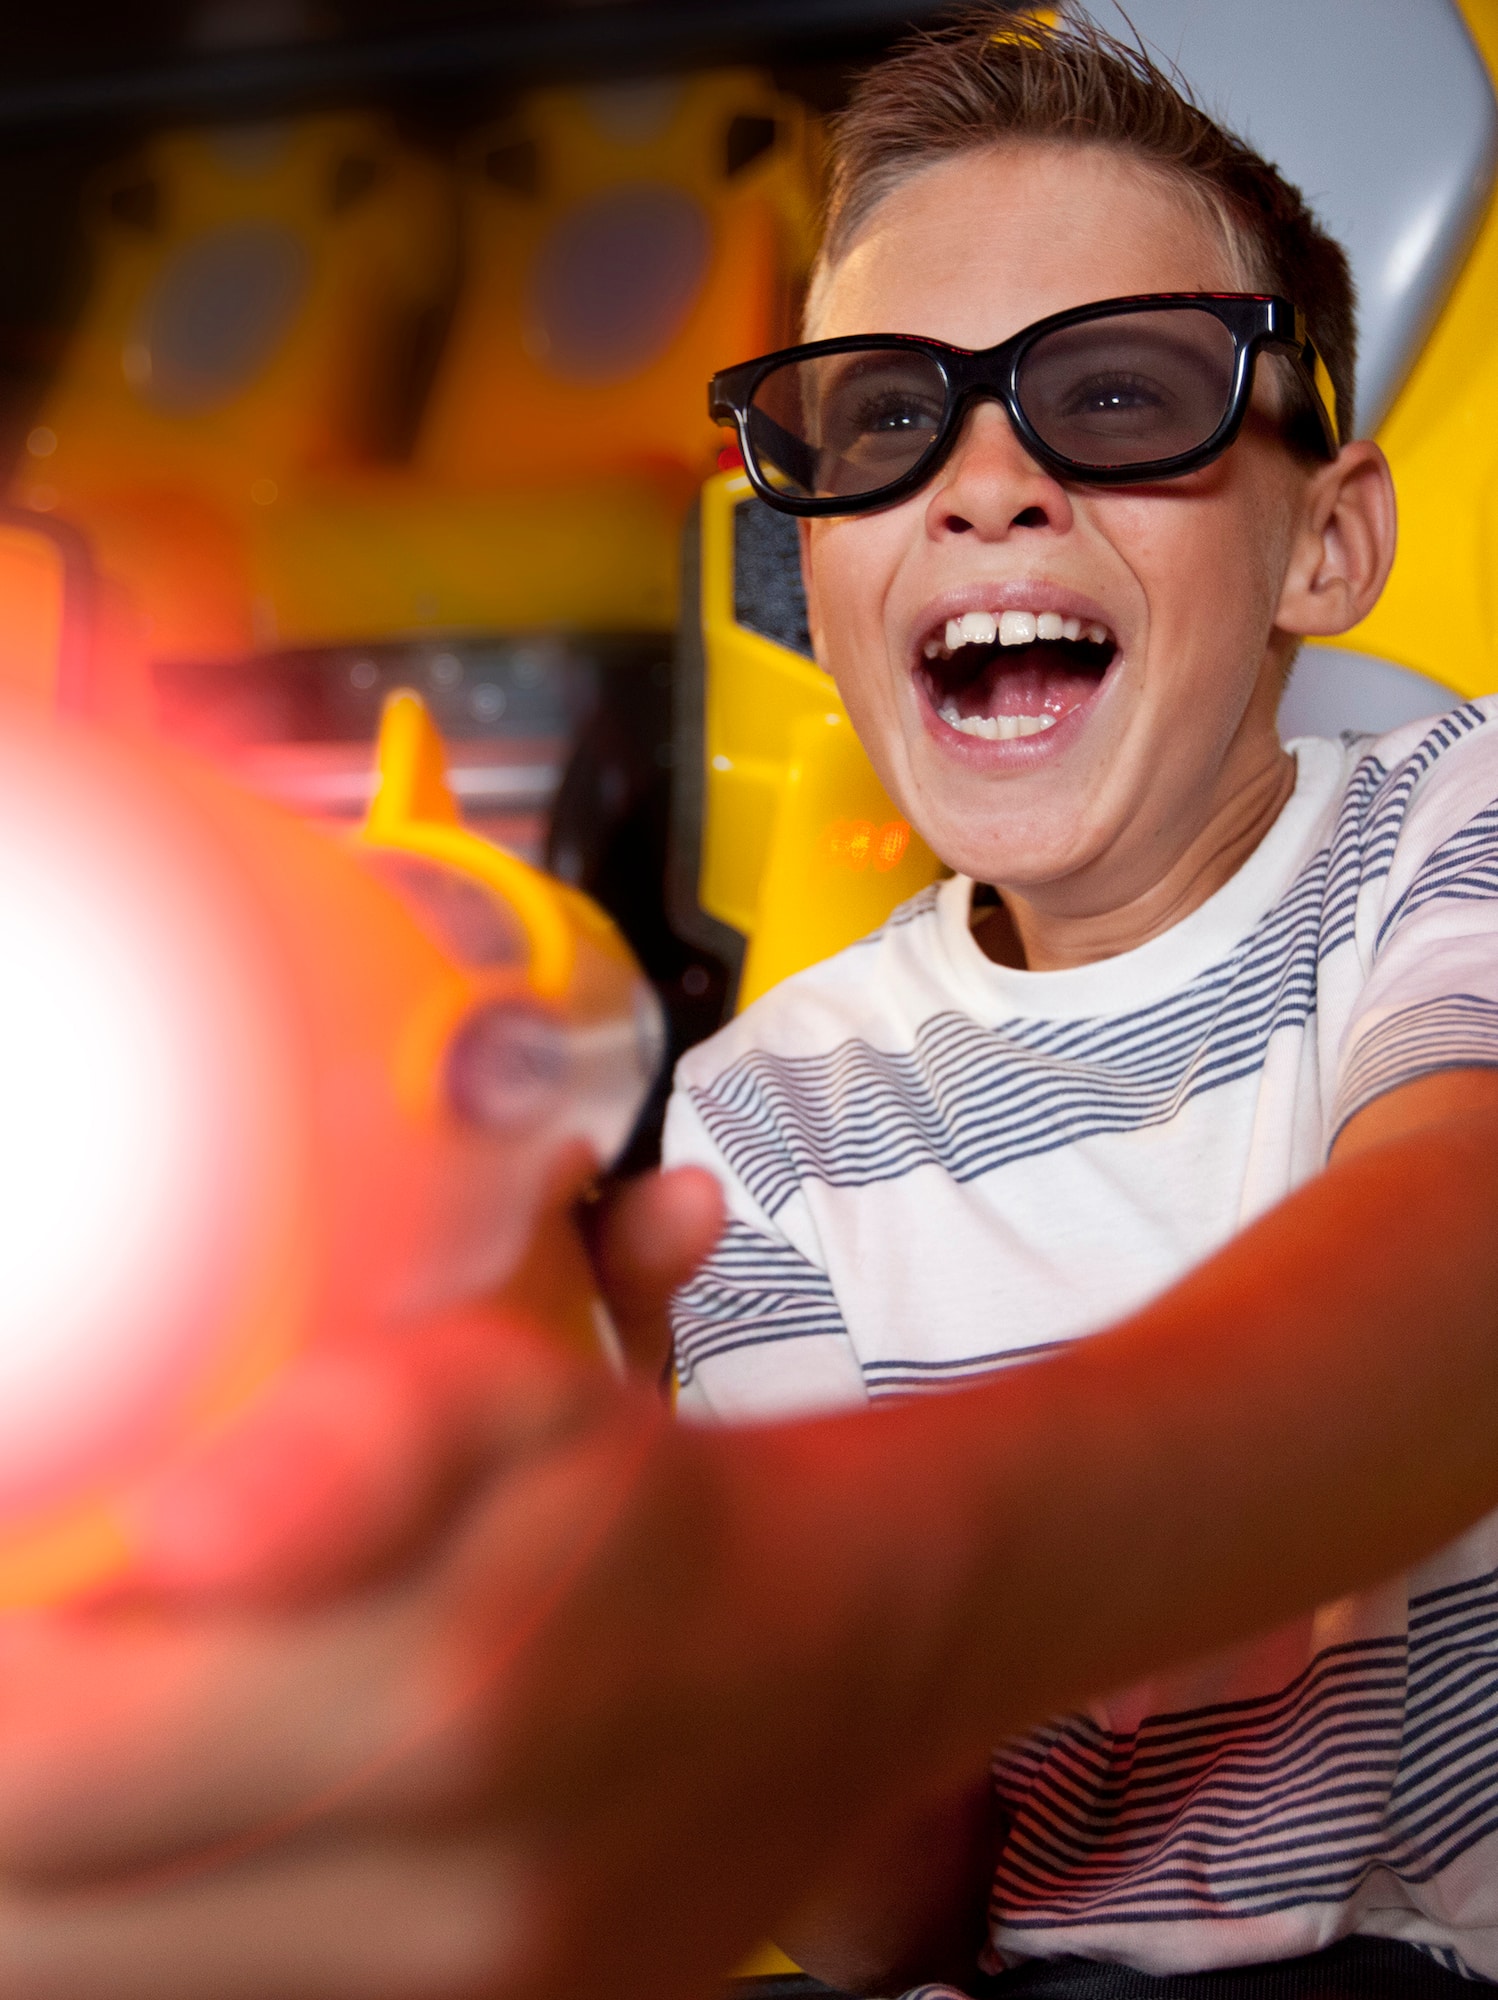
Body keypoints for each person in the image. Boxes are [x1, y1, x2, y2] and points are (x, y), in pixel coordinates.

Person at [3, 14, 1498, 2000]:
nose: (981, 483)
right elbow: (891, 1915)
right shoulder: (765, 1113)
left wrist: (849, 1590)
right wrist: (623, 1513)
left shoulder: (1440, 820)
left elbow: (1454, 1269)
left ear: (1327, 539)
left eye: (1118, 395)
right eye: (878, 423)